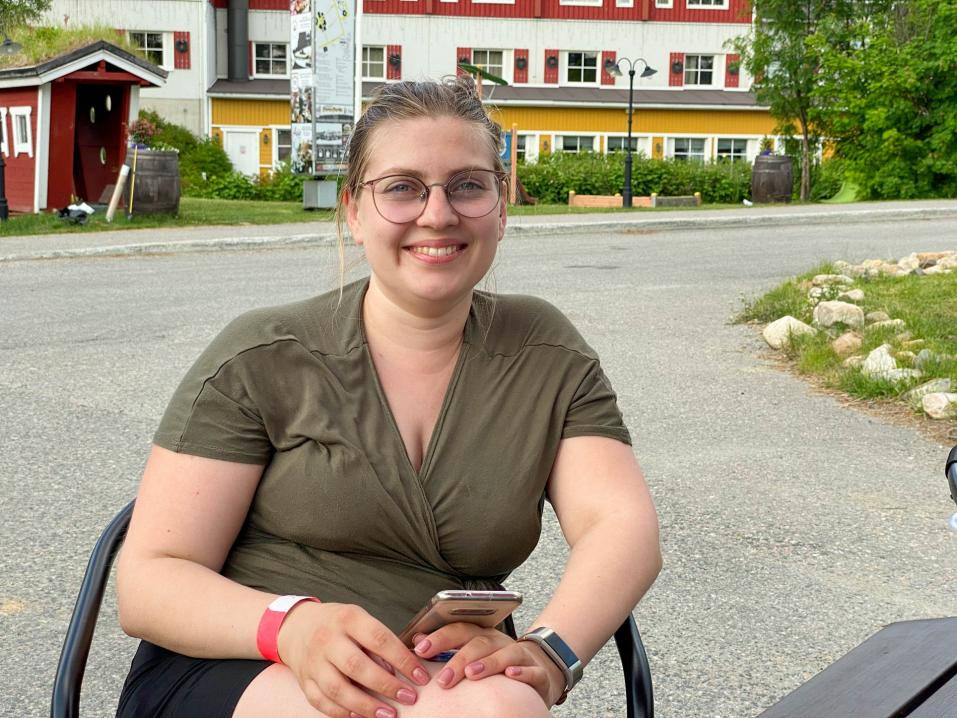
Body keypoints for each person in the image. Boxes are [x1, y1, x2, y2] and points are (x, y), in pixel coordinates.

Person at [115, 77, 661, 718]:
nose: (438, 214)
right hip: (241, 659)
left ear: (502, 205)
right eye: (402, 187)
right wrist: (291, 626)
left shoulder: (545, 353)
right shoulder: (263, 356)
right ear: (353, 210)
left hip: (446, 677)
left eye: (468, 185)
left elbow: (620, 526)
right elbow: (149, 580)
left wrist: (550, 652)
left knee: (495, 706)